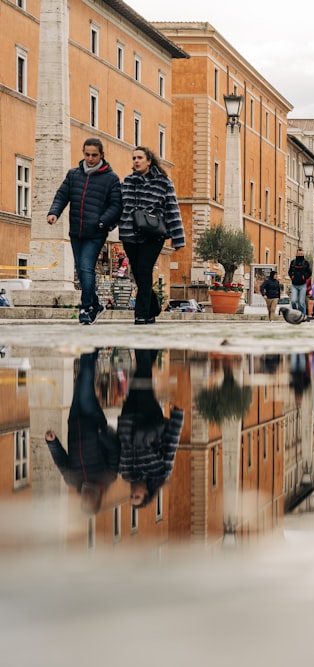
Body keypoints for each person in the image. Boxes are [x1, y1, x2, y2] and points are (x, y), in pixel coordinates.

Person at [47, 137, 123, 325]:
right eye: (87, 154)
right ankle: (96, 306)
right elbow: (62, 195)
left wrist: (102, 222)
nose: (90, 159)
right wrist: (54, 212)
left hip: (96, 233)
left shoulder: (111, 178)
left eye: (94, 155)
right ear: (83, 153)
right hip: (76, 232)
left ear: (102, 155)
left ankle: (86, 308)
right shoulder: (74, 175)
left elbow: (116, 205)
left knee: (86, 268)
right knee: (81, 272)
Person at [45, 351, 119, 515]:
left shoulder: (72, 480)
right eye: (89, 502)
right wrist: (101, 435)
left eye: (83, 502)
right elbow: (114, 450)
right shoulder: (108, 476)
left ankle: (93, 350)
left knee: (81, 382)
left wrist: (52, 442)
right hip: (93, 420)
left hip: (75, 421)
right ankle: (89, 346)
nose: (85, 499)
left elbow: (61, 461)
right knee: (85, 380)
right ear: (97, 499)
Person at [119, 146, 186, 325]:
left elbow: (172, 209)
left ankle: (140, 314)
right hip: (129, 233)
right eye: (134, 158)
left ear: (149, 160)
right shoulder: (126, 182)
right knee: (140, 275)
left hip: (153, 234)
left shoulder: (163, 182)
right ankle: (153, 307)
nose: (136, 161)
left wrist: (177, 238)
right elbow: (117, 207)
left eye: (140, 158)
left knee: (144, 270)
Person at [117, 349, 184, 508]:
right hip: (149, 418)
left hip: (128, 418)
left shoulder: (125, 474)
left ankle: (150, 348)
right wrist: (177, 417)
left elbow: (117, 446)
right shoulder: (161, 473)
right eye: (137, 496)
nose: (133, 492)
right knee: (143, 378)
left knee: (140, 375)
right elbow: (171, 445)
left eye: (131, 496)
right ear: (146, 493)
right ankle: (143, 340)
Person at [287, 248, 312, 314]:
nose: (300, 255)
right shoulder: (293, 262)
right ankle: (295, 313)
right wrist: (292, 277)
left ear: (303, 254)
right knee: (293, 301)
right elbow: (289, 271)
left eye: (301, 254)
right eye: (299, 253)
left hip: (302, 285)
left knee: (301, 302)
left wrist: (304, 277)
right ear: (296, 254)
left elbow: (309, 272)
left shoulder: (306, 263)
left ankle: (303, 316)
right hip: (294, 285)